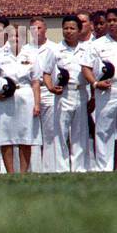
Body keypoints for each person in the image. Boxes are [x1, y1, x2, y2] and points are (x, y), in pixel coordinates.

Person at [0, 22, 40, 173]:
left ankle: (23, 173)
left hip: (25, 95)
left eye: (18, 35)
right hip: (5, 99)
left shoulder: (31, 54)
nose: (15, 38)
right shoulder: (0, 55)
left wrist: (37, 104)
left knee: (25, 137)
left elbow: (36, 81)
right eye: (12, 35)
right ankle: (10, 173)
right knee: (6, 136)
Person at [84, 6, 117, 171]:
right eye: (109, 21)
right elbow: (86, 68)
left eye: (115, 20)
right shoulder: (97, 45)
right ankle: (103, 169)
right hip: (105, 91)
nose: (112, 24)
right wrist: (95, 83)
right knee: (103, 131)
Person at [41, 16, 91, 173]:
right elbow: (46, 73)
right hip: (63, 93)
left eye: (72, 28)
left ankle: (79, 169)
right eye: (66, 28)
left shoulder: (86, 49)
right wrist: (50, 88)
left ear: (79, 30)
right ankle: (61, 169)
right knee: (61, 133)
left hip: (81, 92)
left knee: (80, 132)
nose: (68, 32)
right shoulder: (55, 50)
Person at [19, 18, 56, 172]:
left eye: (39, 28)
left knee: (50, 132)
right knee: (32, 133)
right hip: (31, 91)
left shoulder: (54, 48)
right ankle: (34, 169)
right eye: (33, 28)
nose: (36, 31)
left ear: (45, 29)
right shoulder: (24, 50)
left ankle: (50, 169)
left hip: (49, 90)